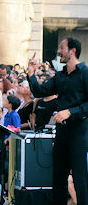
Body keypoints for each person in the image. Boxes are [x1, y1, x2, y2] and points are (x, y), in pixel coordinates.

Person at [28, 38, 88, 205]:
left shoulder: (85, 73)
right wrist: (31, 73)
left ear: (73, 51)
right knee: (58, 179)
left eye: (62, 48)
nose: (58, 51)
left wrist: (70, 112)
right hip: (61, 134)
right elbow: (40, 91)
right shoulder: (60, 76)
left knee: (80, 180)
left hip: (79, 133)